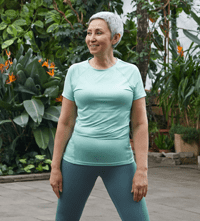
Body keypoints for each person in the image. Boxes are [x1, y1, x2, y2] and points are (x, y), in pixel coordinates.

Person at [49, 11, 150, 221]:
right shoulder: (75, 72)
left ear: (115, 38)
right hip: (76, 161)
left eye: (98, 33)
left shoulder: (130, 72)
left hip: (120, 162)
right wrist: (55, 168)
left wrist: (142, 170)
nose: (91, 38)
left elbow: (140, 124)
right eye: (88, 33)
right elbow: (66, 122)